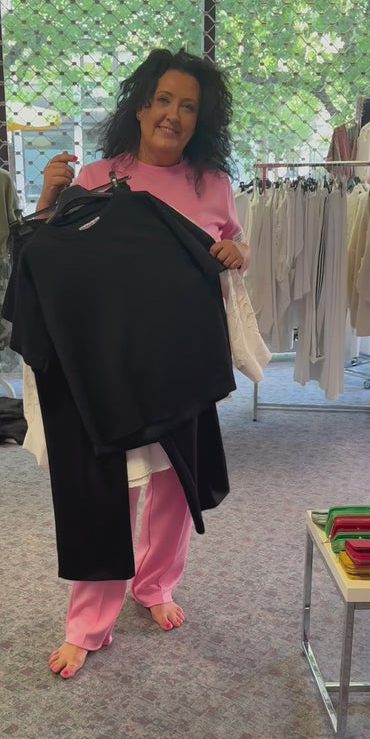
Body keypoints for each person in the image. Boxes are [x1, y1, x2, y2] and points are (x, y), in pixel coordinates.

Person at [35, 48, 249, 678]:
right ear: (140, 106)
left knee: (174, 483)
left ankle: (155, 584)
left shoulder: (212, 184)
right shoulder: (99, 176)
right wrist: (50, 197)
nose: (173, 116)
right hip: (107, 362)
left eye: (188, 107)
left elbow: (232, 245)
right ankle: (88, 623)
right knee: (102, 488)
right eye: (163, 100)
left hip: (180, 359)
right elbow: (52, 256)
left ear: (201, 119)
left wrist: (238, 252)